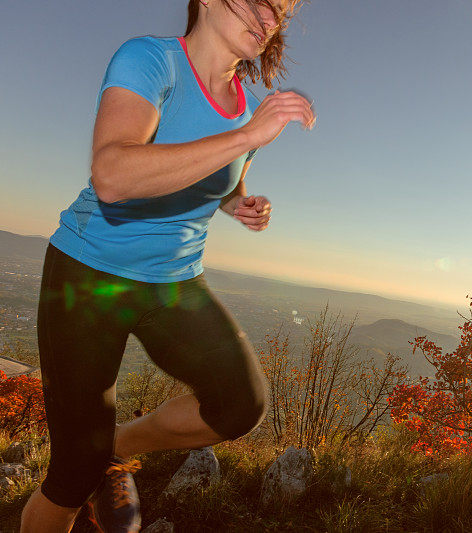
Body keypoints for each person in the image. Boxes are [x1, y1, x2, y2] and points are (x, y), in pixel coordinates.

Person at [20, 0, 314, 531]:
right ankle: (88, 463)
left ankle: (114, 448)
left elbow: (217, 175)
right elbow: (112, 174)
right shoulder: (150, 61)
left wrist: (239, 202)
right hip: (89, 275)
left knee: (239, 405)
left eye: (279, 14)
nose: (268, 20)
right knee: (70, 474)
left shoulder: (246, 107)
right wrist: (248, 136)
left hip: (174, 282)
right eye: (257, 2)